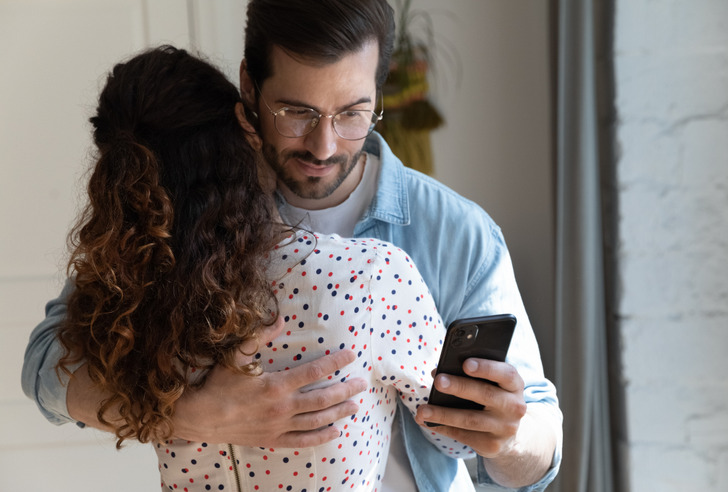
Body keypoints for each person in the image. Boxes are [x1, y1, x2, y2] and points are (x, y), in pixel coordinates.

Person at [23, 1, 562, 490]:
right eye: (297, 112)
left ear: (378, 94)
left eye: (352, 113)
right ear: (249, 90)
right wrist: (191, 413)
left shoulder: (456, 232)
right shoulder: (182, 216)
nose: (324, 145)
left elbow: (538, 453)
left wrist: (509, 437)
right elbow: (46, 366)